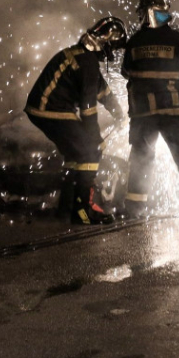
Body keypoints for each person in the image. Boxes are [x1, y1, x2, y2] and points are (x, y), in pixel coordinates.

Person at [121, 0, 179, 225]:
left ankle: (134, 209)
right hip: (173, 112)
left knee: (140, 160)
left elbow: (125, 73)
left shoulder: (133, 42)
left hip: (142, 113)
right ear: (165, 12)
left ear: (142, 14)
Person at [25, 17, 127, 225]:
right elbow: (88, 108)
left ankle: (66, 206)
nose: (113, 52)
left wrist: (118, 111)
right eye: (113, 46)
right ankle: (83, 211)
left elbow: (101, 89)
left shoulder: (83, 57)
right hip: (52, 110)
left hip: (43, 109)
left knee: (76, 154)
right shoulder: (87, 62)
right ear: (106, 42)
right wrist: (96, 138)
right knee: (90, 151)